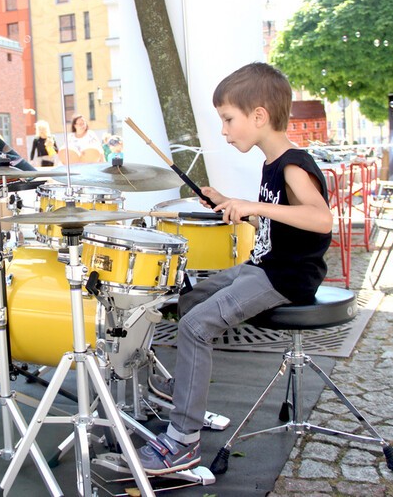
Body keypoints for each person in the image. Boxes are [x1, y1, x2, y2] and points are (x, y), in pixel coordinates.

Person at [137, 62, 333, 474]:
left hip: (284, 278)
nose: (224, 131)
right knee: (185, 301)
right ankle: (182, 394)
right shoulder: (272, 163)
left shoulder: (293, 164)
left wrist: (253, 205)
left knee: (196, 326)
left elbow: (321, 219)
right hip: (261, 265)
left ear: (258, 115)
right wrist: (232, 204)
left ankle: (182, 442)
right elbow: (280, 226)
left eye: (228, 119)